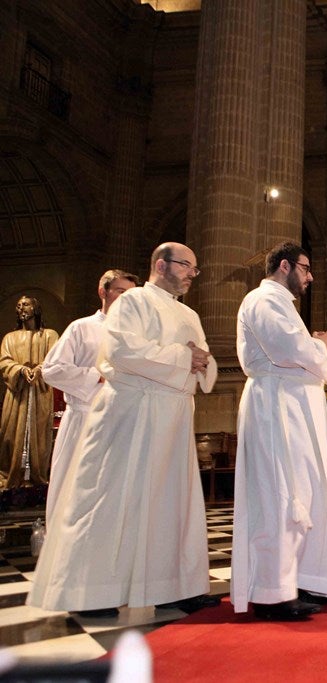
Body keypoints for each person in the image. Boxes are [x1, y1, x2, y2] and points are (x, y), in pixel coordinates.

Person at [28, 242, 219, 618]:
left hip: (175, 417)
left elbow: (203, 360)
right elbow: (121, 352)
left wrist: (203, 361)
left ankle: (172, 586)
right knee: (111, 500)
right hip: (131, 413)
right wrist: (185, 357)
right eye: (186, 267)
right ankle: (91, 593)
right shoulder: (132, 303)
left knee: (172, 505)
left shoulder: (190, 315)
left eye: (195, 270)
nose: (191, 275)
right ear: (161, 264)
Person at [232, 242, 327, 621]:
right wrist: (321, 344)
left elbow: (300, 351)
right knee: (279, 494)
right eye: (305, 268)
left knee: (301, 493)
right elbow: (288, 349)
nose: (310, 276)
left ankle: (298, 580)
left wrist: (313, 346)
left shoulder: (281, 305)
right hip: (274, 407)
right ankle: (272, 594)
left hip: (291, 407)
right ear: (284, 266)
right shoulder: (262, 300)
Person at [40, 269, 139, 525]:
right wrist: (96, 376)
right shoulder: (81, 328)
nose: (126, 299)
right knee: (75, 492)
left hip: (122, 423)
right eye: (120, 291)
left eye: (131, 294)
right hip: (84, 418)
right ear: (102, 291)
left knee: (115, 495)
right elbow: (51, 369)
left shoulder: (138, 335)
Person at [0, 296, 59, 488]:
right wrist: (21, 370)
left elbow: (56, 358)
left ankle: (37, 477)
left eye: (25, 304)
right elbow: (4, 361)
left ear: (36, 307)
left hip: (40, 392)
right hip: (17, 394)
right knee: (10, 433)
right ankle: (11, 475)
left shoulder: (49, 335)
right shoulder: (10, 337)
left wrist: (40, 369)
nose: (21, 308)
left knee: (39, 434)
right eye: (18, 305)